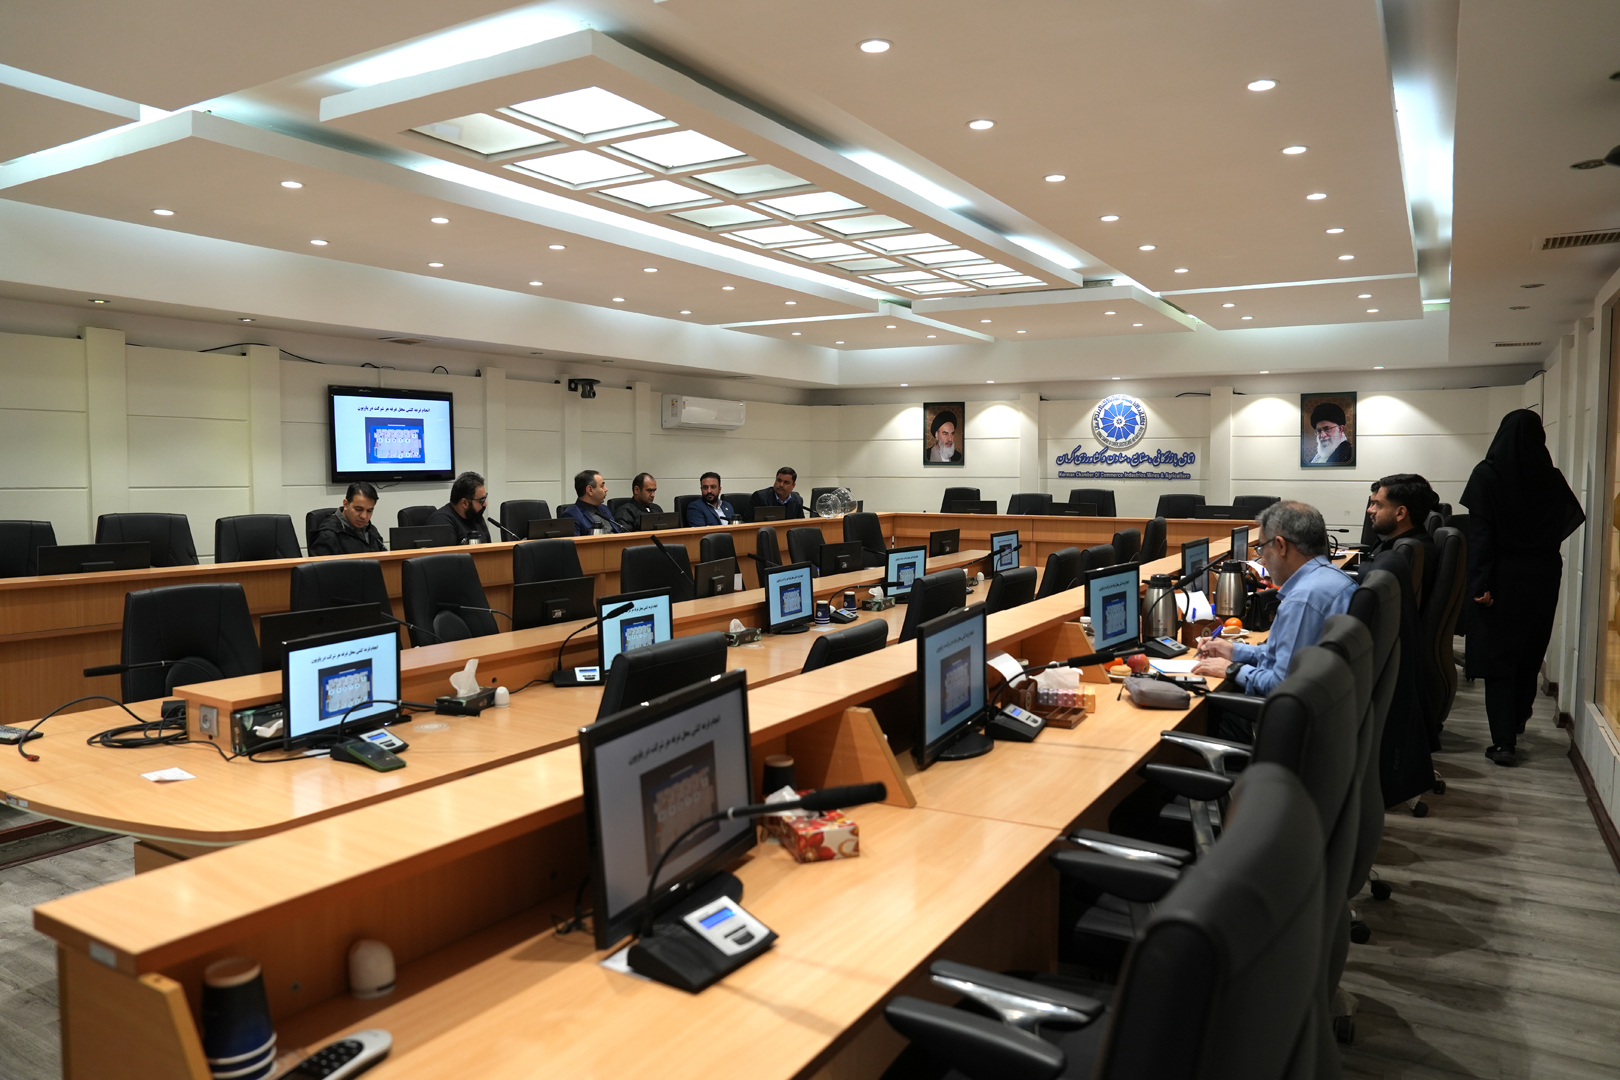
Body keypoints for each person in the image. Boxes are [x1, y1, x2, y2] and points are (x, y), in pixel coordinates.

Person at [1462, 409, 1584, 766]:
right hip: (1543, 574)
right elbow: (1568, 520)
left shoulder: (1487, 475)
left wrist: (1480, 583)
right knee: (1530, 652)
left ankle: (1503, 742)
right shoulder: (1551, 477)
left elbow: (1481, 535)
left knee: (1498, 656)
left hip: (1501, 577)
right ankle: (1517, 720)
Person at [1192, 500, 1357, 712]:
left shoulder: (1303, 600)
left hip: (1293, 720)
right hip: (1331, 708)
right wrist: (1234, 650)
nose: (1261, 561)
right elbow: (1283, 655)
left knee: (1199, 709)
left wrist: (1232, 669)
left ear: (1281, 545)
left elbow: (1282, 685)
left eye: (1261, 548)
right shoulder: (1333, 578)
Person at [1364, 473, 1440, 604]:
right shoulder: (1406, 545)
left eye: (1378, 505)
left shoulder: (1407, 554)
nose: (1370, 510)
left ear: (1400, 513)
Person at [308, 482, 385, 556]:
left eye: (369, 511)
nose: (364, 516)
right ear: (345, 504)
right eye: (358, 509)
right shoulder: (327, 535)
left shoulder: (370, 530)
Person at [426, 471, 491, 544]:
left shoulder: (476, 517)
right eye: (481, 500)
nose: (485, 504)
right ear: (464, 503)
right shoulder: (441, 522)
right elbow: (447, 551)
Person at [560, 469, 624, 535]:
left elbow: (618, 532)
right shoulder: (571, 515)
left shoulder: (604, 508)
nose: (606, 489)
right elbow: (574, 541)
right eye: (602, 486)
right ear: (590, 490)